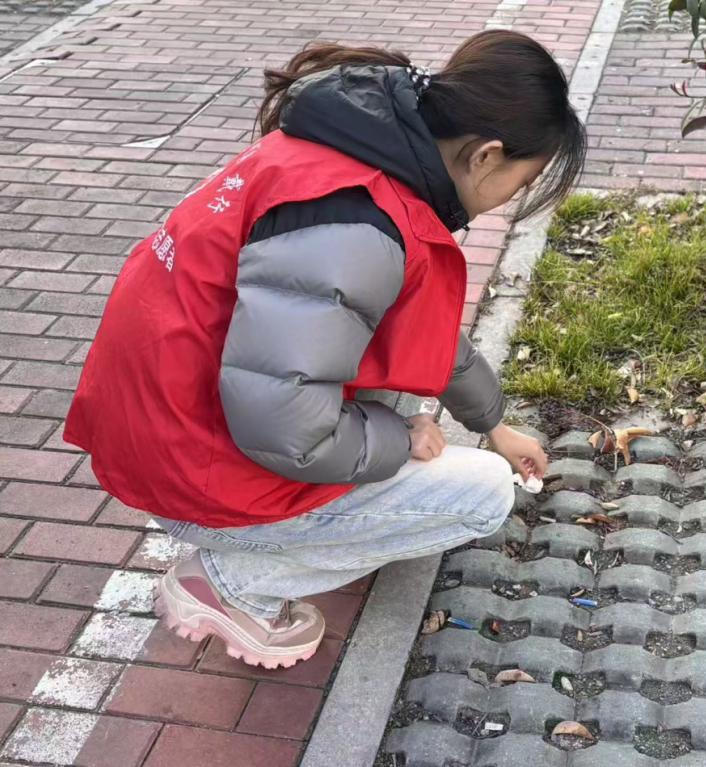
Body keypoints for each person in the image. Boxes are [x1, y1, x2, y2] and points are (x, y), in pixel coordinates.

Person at [63, 30, 587, 669]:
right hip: (191, 468)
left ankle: (290, 535)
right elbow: (287, 430)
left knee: (406, 398)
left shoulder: (351, 151)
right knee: (482, 493)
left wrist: (494, 423)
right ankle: (231, 584)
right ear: (486, 156)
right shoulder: (358, 224)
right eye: (522, 182)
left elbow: (407, 323)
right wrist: (397, 437)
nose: (510, 199)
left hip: (160, 429)